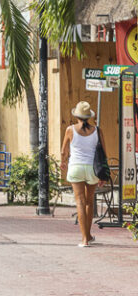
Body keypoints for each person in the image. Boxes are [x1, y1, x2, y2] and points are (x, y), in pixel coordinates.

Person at [61, 101, 107, 247]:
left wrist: (63, 162)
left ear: (77, 116)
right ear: (89, 117)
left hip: (76, 167)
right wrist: (103, 175)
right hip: (92, 169)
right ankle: (88, 235)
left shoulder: (70, 130)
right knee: (89, 202)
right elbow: (104, 153)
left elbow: (64, 151)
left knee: (80, 202)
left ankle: (85, 239)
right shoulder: (97, 130)